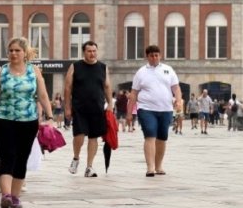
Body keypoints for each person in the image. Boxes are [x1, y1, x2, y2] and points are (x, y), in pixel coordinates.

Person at [0, 37, 54, 208]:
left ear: (24, 53)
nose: (13, 53)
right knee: (6, 156)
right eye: (11, 50)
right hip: (4, 120)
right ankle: (5, 195)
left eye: (17, 50)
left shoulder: (34, 71)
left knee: (22, 158)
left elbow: (43, 96)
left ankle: (14, 196)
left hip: (28, 122)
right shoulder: (1, 72)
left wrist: (50, 117)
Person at [126, 45, 181, 177]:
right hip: (146, 109)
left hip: (165, 109)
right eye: (151, 55)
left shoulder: (168, 70)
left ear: (160, 56)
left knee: (162, 138)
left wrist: (178, 100)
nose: (154, 57)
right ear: (147, 57)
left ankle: (158, 166)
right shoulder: (141, 72)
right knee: (150, 135)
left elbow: (176, 88)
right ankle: (150, 167)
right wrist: (129, 113)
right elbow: (134, 93)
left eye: (157, 55)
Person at [65, 40, 113, 177]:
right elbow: (68, 87)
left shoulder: (103, 67)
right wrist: (67, 107)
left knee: (94, 137)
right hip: (79, 108)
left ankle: (89, 166)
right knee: (79, 135)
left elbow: (107, 86)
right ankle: (76, 158)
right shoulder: (75, 66)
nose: (92, 54)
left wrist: (110, 104)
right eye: (89, 51)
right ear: (84, 52)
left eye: (94, 51)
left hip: (97, 108)